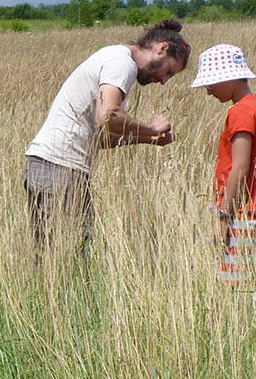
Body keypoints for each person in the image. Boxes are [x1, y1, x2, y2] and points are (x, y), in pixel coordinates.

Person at [23, 18, 190, 262]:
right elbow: (108, 116)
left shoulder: (114, 59)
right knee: (71, 258)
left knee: (49, 258)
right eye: (168, 71)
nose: (163, 81)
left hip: (44, 166)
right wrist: (151, 128)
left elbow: (101, 137)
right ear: (161, 48)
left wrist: (148, 138)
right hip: (62, 170)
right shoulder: (122, 64)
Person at [189, 43, 256, 285]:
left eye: (211, 83)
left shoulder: (241, 112)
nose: (208, 91)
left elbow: (240, 167)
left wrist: (224, 217)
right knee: (236, 281)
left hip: (242, 212)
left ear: (230, 78)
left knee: (236, 287)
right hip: (247, 209)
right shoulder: (253, 106)